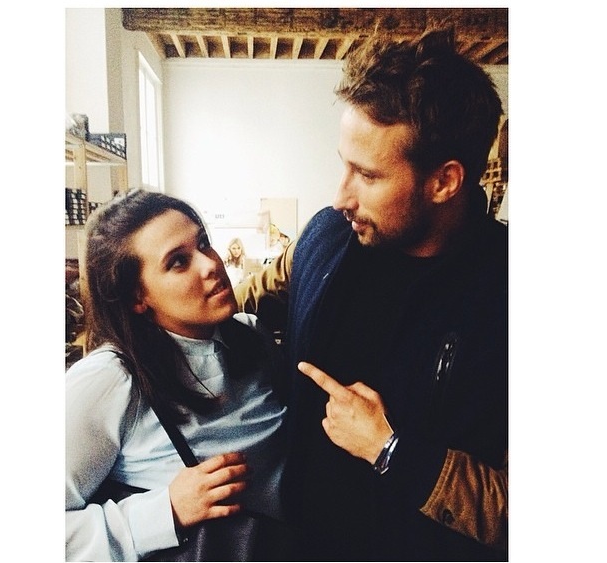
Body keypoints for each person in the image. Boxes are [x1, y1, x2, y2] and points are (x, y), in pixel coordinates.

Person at [235, 28, 508, 561]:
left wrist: (392, 449)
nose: (340, 195)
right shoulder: (325, 233)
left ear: (444, 182)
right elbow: (245, 299)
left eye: (367, 174)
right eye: (344, 163)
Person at [66, 189, 288, 561]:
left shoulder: (251, 336)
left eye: (203, 243)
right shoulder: (111, 379)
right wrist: (165, 511)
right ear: (137, 297)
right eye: (178, 262)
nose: (210, 264)